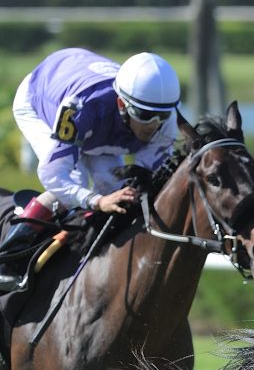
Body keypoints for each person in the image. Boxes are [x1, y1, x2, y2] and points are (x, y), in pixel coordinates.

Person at [0, 48, 181, 290]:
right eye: (146, 115)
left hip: (99, 121)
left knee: (119, 191)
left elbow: (151, 182)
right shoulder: (80, 109)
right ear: (122, 104)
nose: (154, 125)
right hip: (39, 100)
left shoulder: (162, 120)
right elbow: (52, 174)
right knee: (75, 179)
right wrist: (96, 201)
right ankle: (10, 257)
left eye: (162, 115)